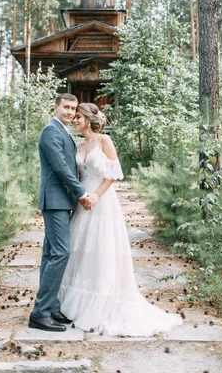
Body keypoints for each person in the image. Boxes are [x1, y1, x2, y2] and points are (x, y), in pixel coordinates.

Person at [58, 103, 182, 337]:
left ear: (88, 118)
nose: (75, 120)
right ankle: (75, 303)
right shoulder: (78, 144)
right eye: (74, 117)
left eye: (78, 117)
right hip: (82, 200)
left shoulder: (104, 140)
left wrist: (96, 195)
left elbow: (113, 174)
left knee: (101, 249)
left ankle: (102, 303)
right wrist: (81, 195)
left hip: (102, 200)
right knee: (80, 249)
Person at [29, 94, 92, 332]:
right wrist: (81, 193)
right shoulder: (50, 131)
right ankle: (40, 312)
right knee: (61, 253)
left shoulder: (64, 131)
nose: (69, 111)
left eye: (73, 108)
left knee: (50, 254)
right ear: (56, 107)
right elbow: (61, 169)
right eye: (66, 107)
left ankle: (52, 307)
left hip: (63, 201)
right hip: (55, 201)